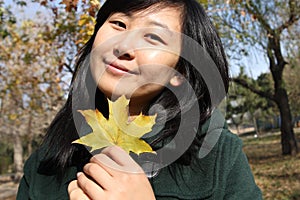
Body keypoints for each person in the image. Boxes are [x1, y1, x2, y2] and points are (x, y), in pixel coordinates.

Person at [16, 0, 262, 199]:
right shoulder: (43, 165)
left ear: (181, 73)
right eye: (119, 24)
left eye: (153, 37)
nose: (123, 46)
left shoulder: (217, 155)